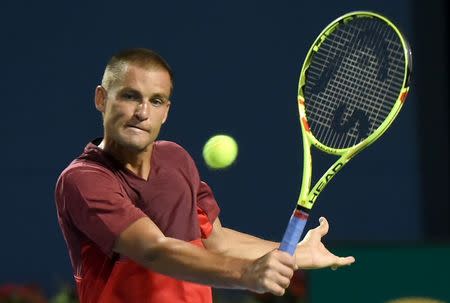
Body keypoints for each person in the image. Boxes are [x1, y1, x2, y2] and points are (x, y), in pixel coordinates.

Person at [55, 48, 355, 303]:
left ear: (166, 111)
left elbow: (217, 241)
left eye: (156, 100)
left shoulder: (175, 159)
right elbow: (155, 251)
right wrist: (245, 274)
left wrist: (296, 253)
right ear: (101, 99)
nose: (143, 112)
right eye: (130, 96)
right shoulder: (84, 180)